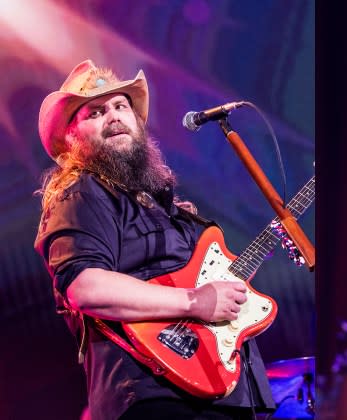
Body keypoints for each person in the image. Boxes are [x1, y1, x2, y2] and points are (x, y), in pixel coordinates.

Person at [34, 60, 275, 420]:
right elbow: (85, 287)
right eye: (96, 112)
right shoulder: (83, 193)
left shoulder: (176, 210)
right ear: (71, 137)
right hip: (154, 395)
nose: (113, 116)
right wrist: (194, 300)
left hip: (227, 391)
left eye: (120, 106)